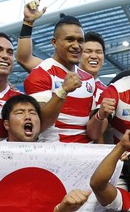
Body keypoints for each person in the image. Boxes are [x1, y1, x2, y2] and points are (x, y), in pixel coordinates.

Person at [24, 15, 97, 143]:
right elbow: (41, 123)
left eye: (80, 41)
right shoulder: (42, 73)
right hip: (54, 154)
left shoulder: (89, 79)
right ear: (54, 42)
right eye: (70, 40)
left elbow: (93, 132)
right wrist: (63, 90)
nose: (76, 46)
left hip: (86, 154)